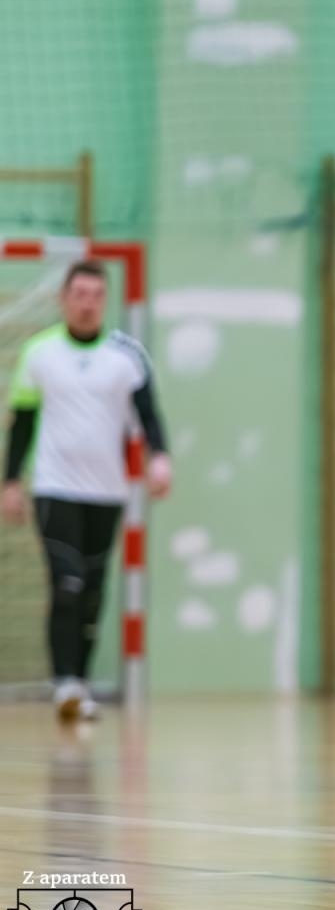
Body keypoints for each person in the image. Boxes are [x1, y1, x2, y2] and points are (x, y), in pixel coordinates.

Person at [2, 260, 172, 720]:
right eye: (79, 294)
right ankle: (65, 685)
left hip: (107, 492)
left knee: (93, 592)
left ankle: (79, 683)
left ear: (106, 300)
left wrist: (160, 458)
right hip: (55, 488)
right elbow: (23, 422)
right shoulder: (39, 353)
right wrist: (11, 481)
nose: (87, 303)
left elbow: (148, 414)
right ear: (64, 298)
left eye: (97, 295)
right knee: (68, 584)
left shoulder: (127, 356)